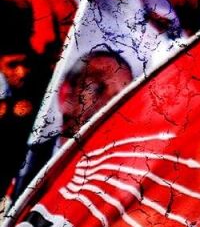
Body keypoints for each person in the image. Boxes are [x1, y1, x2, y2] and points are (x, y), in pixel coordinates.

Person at [13, 49, 133, 197]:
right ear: (66, 94)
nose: (110, 104)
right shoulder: (19, 160)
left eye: (121, 98)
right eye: (97, 88)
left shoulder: (123, 187)